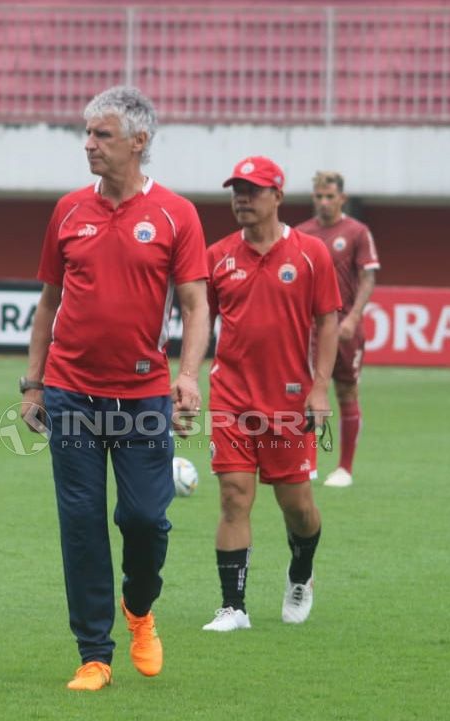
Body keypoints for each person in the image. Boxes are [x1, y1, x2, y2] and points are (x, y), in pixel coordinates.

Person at [20, 86, 210, 691]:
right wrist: (33, 386)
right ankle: (94, 654)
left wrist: (187, 375)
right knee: (80, 523)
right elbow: (47, 303)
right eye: (88, 133)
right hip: (70, 391)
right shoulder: (68, 210)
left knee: (145, 520)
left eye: (102, 135)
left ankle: (140, 610)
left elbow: (195, 304)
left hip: (144, 394)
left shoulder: (177, 214)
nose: (89, 145)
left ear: (139, 140)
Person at [202, 156, 340, 632]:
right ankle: (233, 607)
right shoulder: (217, 255)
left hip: (289, 403)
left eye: (253, 190)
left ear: (277, 196)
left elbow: (328, 321)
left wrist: (320, 387)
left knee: (297, 507)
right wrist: (183, 378)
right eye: (236, 190)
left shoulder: (310, 254)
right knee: (234, 497)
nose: (242, 198)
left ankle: (301, 572)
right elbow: (203, 321)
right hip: (231, 399)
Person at [294, 171, 381, 488]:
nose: (324, 202)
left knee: (345, 392)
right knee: (303, 394)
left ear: (342, 198)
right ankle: (303, 462)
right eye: (319, 196)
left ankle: (344, 468)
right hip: (310, 330)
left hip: (344, 328)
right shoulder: (301, 234)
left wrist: (354, 318)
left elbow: (368, 278)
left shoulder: (357, 232)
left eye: (330, 196)